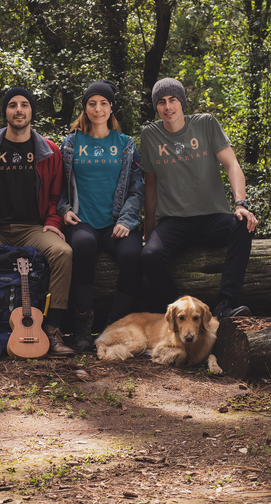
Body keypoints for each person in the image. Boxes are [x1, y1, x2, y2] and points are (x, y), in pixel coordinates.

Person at [0, 87, 74, 362]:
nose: (19, 110)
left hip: (33, 228)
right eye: (12, 105)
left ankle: (53, 329)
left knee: (63, 253)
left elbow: (57, 195)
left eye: (24, 105)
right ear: (6, 112)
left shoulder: (49, 151)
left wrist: (52, 221)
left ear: (32, 111)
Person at [140, 77, 257, 319]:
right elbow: (150, 186)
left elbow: (232, 164)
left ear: (182, 102)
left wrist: (240, 204)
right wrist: (149, 229)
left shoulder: (206, 123)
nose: (167, 106)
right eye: (161, 102)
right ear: (156, 107)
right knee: (150, 255)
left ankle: (226, 305)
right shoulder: (150, 135)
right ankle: (176, 315)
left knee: (243, 225)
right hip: (174, 222)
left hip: (212, 218)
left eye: (173, 100)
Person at [58, 81, 145, 350]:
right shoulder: (72, 143)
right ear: (85, 108)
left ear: (111, 108)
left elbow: (137, 187)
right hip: (82, 221)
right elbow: (57, 184)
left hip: (116, 222)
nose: (98, 109)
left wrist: (126, 220)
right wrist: (65, 210)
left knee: (133, 255)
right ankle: (83, 321)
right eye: (92, 103)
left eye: (103, 103)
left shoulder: (126, 144)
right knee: (82, 245)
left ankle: (116, 323)